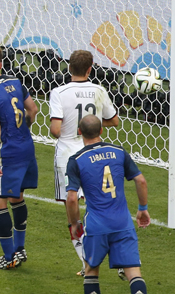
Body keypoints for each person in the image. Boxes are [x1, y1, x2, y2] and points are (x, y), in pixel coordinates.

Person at [49, 50, 119, 275]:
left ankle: (86, 261)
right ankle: (117, 256)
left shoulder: (59, 92)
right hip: (95, 155)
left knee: (73, 212)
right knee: (98, 207)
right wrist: (93, 124)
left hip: (68, 156)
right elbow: (114, 120)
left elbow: (56, 130)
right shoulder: (99, 90)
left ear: (69, 68)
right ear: (90, 69)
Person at [66, 115, 150, 294]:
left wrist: (74, 224)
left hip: (97, 225)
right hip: (123, 223)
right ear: (101, 131)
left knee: (91, 272)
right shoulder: (119, 151)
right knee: (134, 274)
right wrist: (142, 209)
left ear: (80, 132)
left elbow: (72, 198)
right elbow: (141, 181)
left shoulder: (77, 160)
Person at [0, 45, 38, 270]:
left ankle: (10, 255)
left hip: (8, 154)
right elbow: (32, 109)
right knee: (17, 197)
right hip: (26, 148)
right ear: (1, 64)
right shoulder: (16, 82)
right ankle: (20, 248)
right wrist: (24, 129)